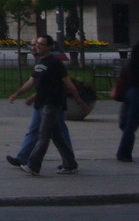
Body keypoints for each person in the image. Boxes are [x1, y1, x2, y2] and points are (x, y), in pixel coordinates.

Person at [9, 34, 86, 175]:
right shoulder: (39, 62)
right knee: (56, 136)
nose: (37, 46)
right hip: (41, 103)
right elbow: (32, 82)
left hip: (53, 103)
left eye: (41, 44)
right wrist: (17, 94)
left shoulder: (55, 63)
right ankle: (70, 164)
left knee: (43, 136)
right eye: (37, 44)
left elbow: (68, 83)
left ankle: (33, 166)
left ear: (50, 47)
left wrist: (79, 100)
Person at [115, 40, 139, 162]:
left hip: (132, 93)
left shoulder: (130, 63)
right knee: (131, 126)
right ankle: (123, 153)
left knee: (130, 125)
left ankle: (124, 153)